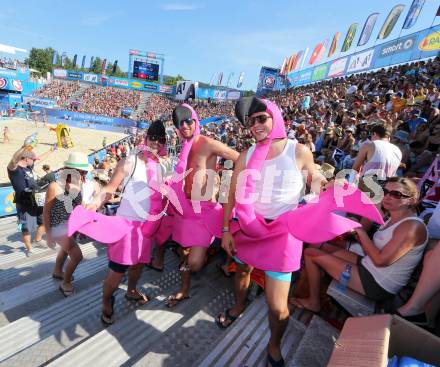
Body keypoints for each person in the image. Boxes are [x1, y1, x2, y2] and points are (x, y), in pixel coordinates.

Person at [218, 97, 325, 366]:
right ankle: (239, 306)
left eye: (261, 118)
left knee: (278, 308)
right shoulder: (247, 155)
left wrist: (325, 182)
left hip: (283, 234)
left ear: (275, 117)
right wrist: (225, 230)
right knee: (241, 272)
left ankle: (274, 344)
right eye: (251, 121)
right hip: (247, 226)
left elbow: (315, 178)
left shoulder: (298, 150)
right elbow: (230, 192)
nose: (255, 125)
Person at [290, 177, 428, 313]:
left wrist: (360, 231)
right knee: (317, 244)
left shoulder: (412, 227)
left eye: (396, 194)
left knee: (311, 254)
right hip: (368, 264)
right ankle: (313, 285)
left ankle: (314, 302)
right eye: (385, 191)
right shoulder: (395, 217)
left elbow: (381, 261)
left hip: (378, 282)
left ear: (411, 200)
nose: (387, 197)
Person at [85, 120, 169, 325]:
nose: (156, 142)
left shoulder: (162, 165)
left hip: (147, 228)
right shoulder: (129, 162)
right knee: (115, 274)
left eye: (161, 139)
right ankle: (106, 300)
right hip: (127, 226)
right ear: (146, 138)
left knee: (139, 266)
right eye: (153, 138)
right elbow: (110, 188)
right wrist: (95, 203)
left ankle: (131, 290)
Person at [164, 104, 239, 307]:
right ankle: (184, 289)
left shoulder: (206, 143)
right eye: (180, 122)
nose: (185, 125)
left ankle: (208, 260)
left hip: (202, 211)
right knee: (183, 253)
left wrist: (224, 186)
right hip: (183, 211)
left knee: (194, 263)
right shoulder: (184, 147)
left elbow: (240, 159)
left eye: (189, 120)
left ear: (196, 121)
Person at [43, 152, 92, 296]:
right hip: (58, 227)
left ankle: (58, 271)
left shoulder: (78, 183)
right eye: (82, 171)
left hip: (71, 225)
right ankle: (66, 282)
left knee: (65, 250)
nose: (84, 174)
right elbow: (46, 212)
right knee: (77, 256)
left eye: (85, 171)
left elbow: (79, 205)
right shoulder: (55, 186)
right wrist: (49, 235)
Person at [7, 147, 45, 254]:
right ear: (26, 158)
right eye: (33, 159)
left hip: (36, 200)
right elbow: (14, 159)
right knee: (26, 227)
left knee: (45, 221)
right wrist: (23, 147)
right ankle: (29, 248)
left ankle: (37, 239)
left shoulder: (29, 167)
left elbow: (39, 158)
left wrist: (52, 150)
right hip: (24, 202)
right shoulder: (14, 169)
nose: (35, 160)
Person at [353, 124, 402, 192]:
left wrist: (352, 185)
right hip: (386, 189)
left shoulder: (369, 145)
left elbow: (355, 168)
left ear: (374, 134)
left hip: (367, 186)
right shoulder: (398, 150)